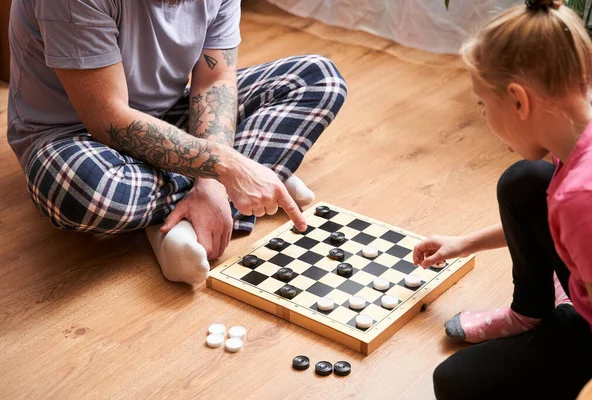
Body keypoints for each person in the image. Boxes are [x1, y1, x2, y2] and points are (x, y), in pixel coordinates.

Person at [7, 0, 347, 285]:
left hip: (168, 113)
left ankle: (190, 215)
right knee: (82, 191)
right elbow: (107, 118)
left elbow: (215, 79)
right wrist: (226, 166)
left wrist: (212, 183)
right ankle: (252, 174)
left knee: (318, 78)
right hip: (75, 138)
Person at [411, 0, 592, 398]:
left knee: (454, 382)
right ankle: (540, 309)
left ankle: (566, 307)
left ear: (517, 100)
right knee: (527, 180)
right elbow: (556, 217)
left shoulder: (582, 198)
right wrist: (463, 243)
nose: (483, 115)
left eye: (483, 103)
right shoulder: (579, 140)